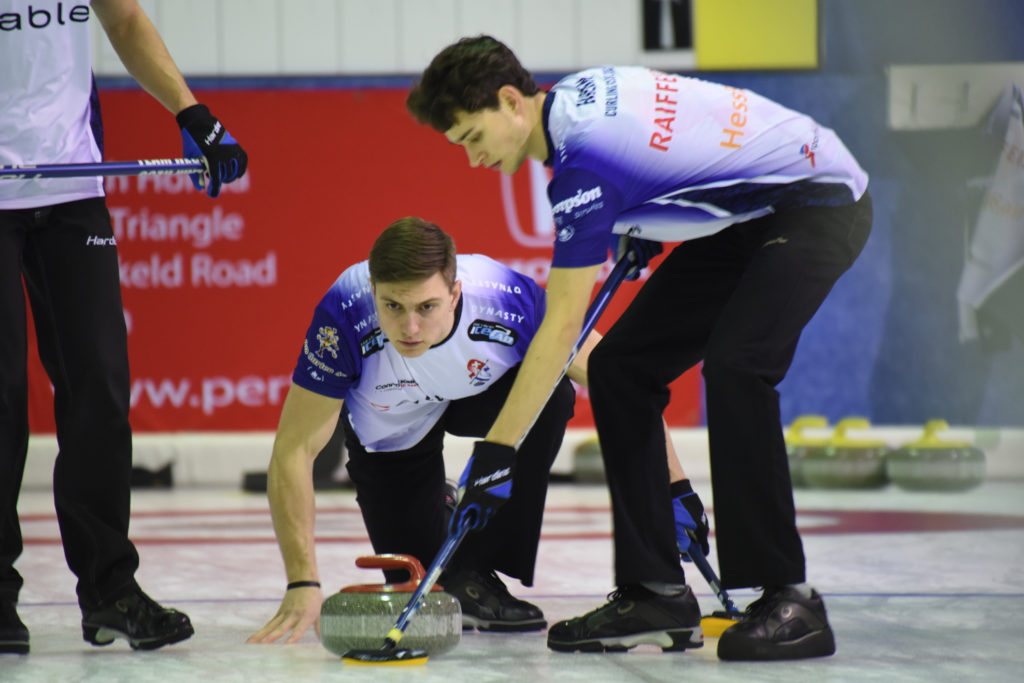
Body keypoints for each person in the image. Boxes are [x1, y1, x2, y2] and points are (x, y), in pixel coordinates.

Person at [407, 36, 872, 661]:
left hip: (819, 200)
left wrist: (498, 452)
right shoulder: (571, 106)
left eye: (471, 136)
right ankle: (655, 593)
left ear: (511, 101)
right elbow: (682, 139)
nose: (472, 159)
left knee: (738, 365)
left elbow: (561, 329)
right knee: (620, 368)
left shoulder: (582, 167)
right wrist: (651, 216)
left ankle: (792, 599)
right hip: (752, 214)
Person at [0, 0, 247, 654]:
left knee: (101, 388)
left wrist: (192, 113)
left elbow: (126, 20)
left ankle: (110, 588)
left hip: (71, 183)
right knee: (1, 397)